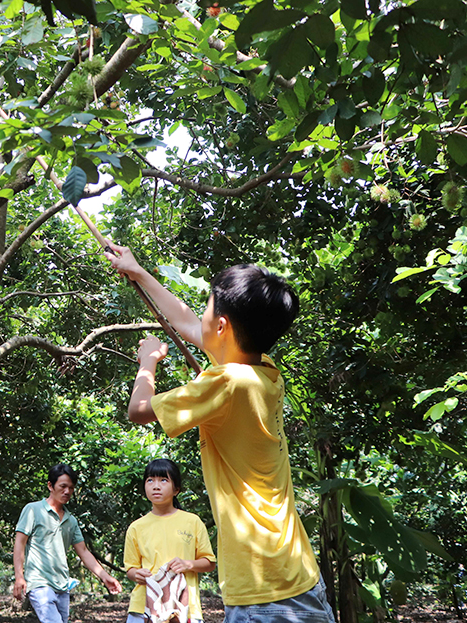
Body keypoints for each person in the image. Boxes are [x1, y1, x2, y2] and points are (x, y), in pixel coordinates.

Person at [105, 245, 336, 623]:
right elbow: (193, 326)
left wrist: (147, 362)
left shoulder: (227, 381)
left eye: (209, 306)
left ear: (224, 326)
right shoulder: (261, 369)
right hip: (296, 575)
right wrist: (138, 272)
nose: (202, 315)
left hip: (263, 592)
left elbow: (138, 412)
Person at [13, 463, 122, 623]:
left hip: (62, 586)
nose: (67, 491)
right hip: (39, 583)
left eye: (71, 488)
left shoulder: (71, 521)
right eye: (63, 486)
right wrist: (19, 577)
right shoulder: (33, 510)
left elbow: (84, 552)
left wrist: (105, 577)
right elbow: (19, 544)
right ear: (50, 485)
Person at [124, 458, 215, 623]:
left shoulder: (192, 522)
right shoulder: (136, 527)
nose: (156, 486)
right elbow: (131, 569)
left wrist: (188, 564)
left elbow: (209, 562)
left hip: (184, 607)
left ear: (176, 489)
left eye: (163, 480)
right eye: (150, 480)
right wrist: (137, 574)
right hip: (142, 607)